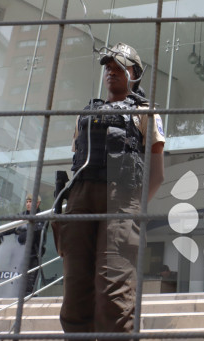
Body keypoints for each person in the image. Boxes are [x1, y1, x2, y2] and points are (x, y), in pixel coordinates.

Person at [57, 42, 165, 335]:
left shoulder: (146, 111)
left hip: (122, 202)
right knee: (75, 294)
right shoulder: (86, 113)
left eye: (120, 66)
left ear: (135, 73)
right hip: (80, 201)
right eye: (108, 66)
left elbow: (156, 174)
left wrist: (133, 210)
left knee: (114, 296)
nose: (111, 72)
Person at [0, 195, 47, 296]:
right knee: (15, 284)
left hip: (33, 253)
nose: (28, 204)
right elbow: (11, 227)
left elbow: (39, 229)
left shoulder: (42, 216)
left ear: (37, 203)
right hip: (18, 253)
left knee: (28, 286)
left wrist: (28, 233)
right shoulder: (21, 216)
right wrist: (0, 233)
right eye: (27, 201)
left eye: (31, 201)